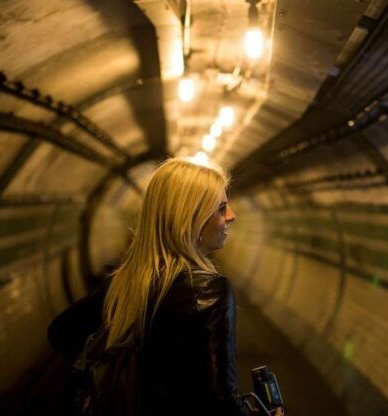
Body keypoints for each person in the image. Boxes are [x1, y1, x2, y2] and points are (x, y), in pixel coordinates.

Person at [48, 157, 282, 415]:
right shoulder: (209, 291)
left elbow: (62, 332)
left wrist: (114, 376)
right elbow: (220, 404)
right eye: (221, 208)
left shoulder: (127, 284)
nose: (231, 216)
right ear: (191, 218)